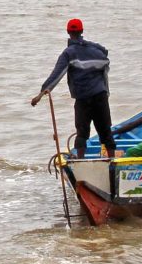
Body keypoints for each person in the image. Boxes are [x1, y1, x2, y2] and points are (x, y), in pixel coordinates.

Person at [30, 18, 115, 159]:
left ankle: (80, 160)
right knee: (105, 131)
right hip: (100, 96)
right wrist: (106, 92)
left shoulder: (68, 53)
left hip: (83, 98)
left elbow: (56, 74)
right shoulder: (97, 51)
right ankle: (111, 159)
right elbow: (105, 65)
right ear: (82, 31)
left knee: (82, 132)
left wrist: (41, 94)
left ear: (68, 32)